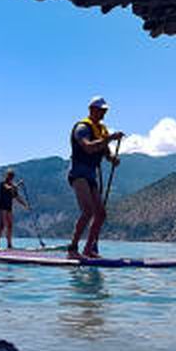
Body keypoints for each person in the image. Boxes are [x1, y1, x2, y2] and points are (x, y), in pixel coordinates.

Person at [67, 96, 124, 258]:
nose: (104, 114)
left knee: (100, 214)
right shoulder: (82, 128)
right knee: (87, 211)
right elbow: (88, 148)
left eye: (105, 111)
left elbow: (105, 152)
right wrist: (110, 139)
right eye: (101, 111)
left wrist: (112, 159)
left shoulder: (102, 129)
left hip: (91, 174)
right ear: (92, 109)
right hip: (78, 173)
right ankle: (72, 249)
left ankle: (88, 249)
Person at [0, 169, 29, 249]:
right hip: (2, 206)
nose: (11, 177)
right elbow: (8, 188)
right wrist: (19, 184)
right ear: (7, 176)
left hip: (8, 207)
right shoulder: (3, 184)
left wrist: (25, 205)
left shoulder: (13, 186)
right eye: (9, 175)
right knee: (2, 225)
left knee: (10, 225)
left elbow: (17, 197)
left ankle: (9, 244)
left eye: (12, 176)